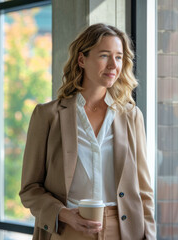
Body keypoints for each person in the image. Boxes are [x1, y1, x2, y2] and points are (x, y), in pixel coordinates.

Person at [19, 23, 156, 240]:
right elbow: (29, 189)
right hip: (66, 229)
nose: (113, 65)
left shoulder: (131, 116)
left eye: (119, 57)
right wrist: (64, 215)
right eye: (104, 55)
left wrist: (149, 235)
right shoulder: (48, 115)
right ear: (82, 60)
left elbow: (144, 191)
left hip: (123, 230)